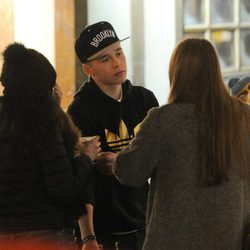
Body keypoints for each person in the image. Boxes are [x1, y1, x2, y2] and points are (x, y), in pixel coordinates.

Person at [113, 38, 250, 250]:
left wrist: (120, 154)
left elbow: (130, 172)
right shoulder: (243, 115)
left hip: (172, 240)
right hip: (230, 237)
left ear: (176, 73)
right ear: (215, 71)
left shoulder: (162, 120)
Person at [67, 21, 159, 250]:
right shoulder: (80, 110)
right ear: (88, 69)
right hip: (104, 231)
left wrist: (120, 162)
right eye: (105, 59)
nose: (117, 63)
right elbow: (80, 179)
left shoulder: (144, 100)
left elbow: (161, 161)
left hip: (145, 223)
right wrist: (88, 236)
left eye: (119, 53)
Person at [0, 43, 100, 250]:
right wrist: (87, 157)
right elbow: (63, 189)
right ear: (43, 87)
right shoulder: (43, 120)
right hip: (43, 234)